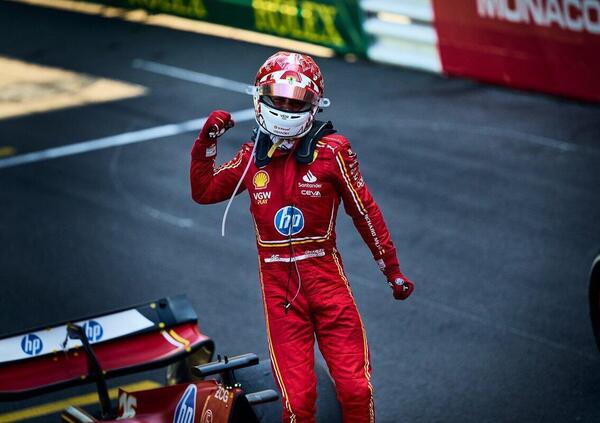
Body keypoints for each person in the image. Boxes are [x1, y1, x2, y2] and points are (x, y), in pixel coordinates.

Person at [190, 51, 414, 423]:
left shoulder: (333, 152)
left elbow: (365, 212)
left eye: (296, 101)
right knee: (298, 404)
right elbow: (205, 190)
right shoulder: (250, 157)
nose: (285, 107)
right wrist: (206, 143)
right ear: (260, 97)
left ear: (315, 104)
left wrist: (391, 269)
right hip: (281, 295)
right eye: (278, 98)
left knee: (356, 390)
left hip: (327, 281)